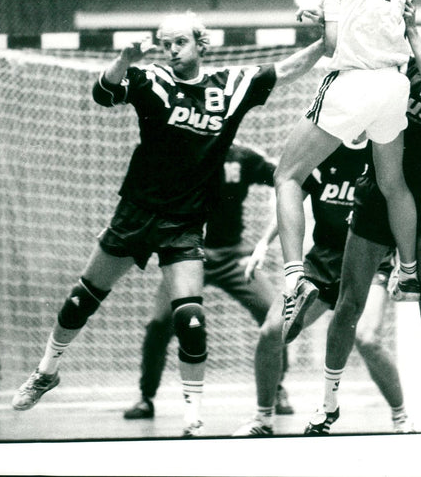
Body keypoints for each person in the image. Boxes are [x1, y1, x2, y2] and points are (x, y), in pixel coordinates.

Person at [10, 12, 326, 437]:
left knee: (190, 321)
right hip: (136, 212)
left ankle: (193, 419)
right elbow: (103, 93)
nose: (171, 50)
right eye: (165, 43)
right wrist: (123, 59)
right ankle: (47, 370)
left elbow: (288, 69)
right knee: (81, 300)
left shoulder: (230, 88)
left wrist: (329, 38)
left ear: (201, 43)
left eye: (179, 42)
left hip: (184, 224)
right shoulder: (150, 80)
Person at [303, 0, 421, 435]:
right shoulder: (398, 74)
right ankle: (327, 403)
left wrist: (412, 33)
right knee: (348, 304)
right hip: (376, 194)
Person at [274, 0, 418, 345]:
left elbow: (335, 43)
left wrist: (321, 22)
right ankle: (408, 271)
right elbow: (377, 22)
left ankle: (294, 275)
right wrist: (328, 15)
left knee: (287, 177)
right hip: (394, 85)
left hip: (353, 84)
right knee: (393, 184)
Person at [233, 139, 413, 437]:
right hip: (325, 261)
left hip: (371, 259)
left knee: (368, 339)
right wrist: (263, 243)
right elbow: (290, 198)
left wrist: (408, 260)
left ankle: (401, 417)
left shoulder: (383, 152)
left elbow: (402, 201)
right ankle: (263, 420)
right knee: (270, 332)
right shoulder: (323, 151)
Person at [122, 142, 294, 420]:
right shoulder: (179, 152)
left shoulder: (242, 157)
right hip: (186, 255)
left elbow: (286, 177)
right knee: (159, 322)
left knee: (275, 314)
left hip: (232, 256)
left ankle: (277, 387)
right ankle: (146, 398)